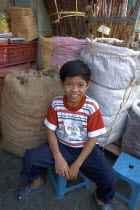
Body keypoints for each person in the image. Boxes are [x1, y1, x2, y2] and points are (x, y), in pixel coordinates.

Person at [16, 60, 117, 210]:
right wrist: (58, 157)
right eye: (69, 84)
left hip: (86, 149)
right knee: (30, 157)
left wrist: (77, 164)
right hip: (62, 146)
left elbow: (93, 138)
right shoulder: (57, 103)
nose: (74, 90)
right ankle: (36, 182)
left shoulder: (91, 107)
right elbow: (50, 130)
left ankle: (100, 198)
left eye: (80, 85)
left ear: (87, 86)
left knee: (110, 178)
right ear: (61, 84)